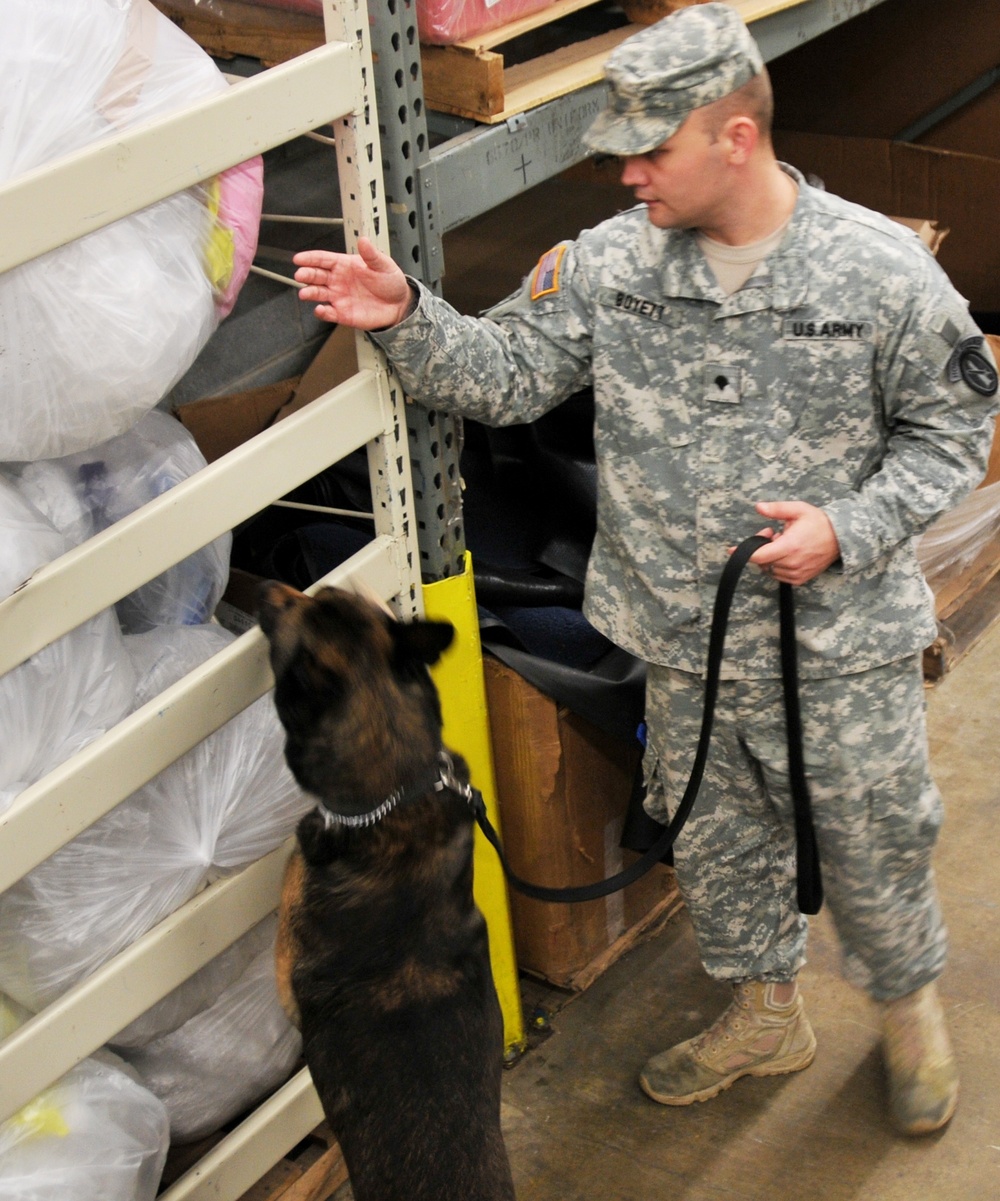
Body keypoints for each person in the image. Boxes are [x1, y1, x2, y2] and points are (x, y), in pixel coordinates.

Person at [292, 2, 998, 1136]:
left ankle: (909, 1008)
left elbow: (951, 435)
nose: (626, 172)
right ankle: (766, 1013)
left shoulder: (878, 274)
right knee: (719, 845)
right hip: (680, 640)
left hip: (837, 640)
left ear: (734, 136)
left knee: (874, 833)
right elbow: (511, 375)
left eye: (650, 147)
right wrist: (407, 319)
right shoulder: (609, 266)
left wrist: (847, 526)